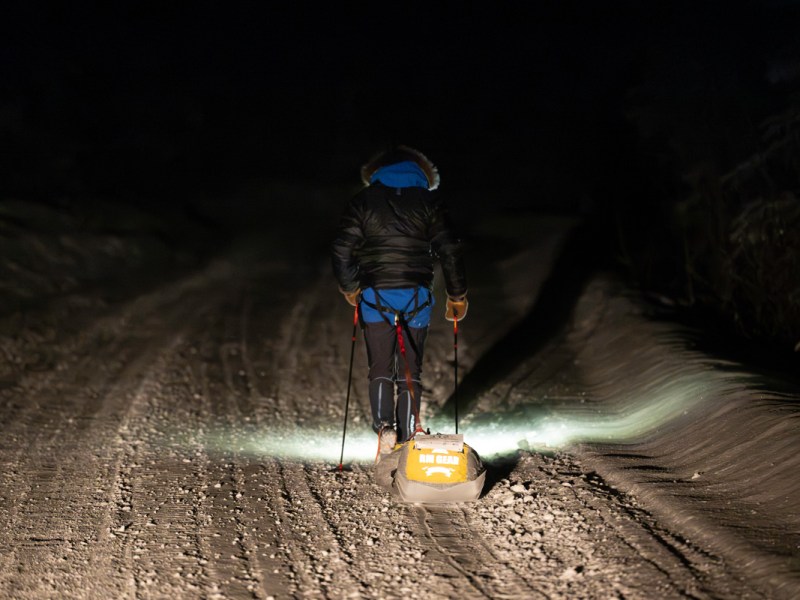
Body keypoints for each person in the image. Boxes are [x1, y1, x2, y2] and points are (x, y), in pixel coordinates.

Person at [331, 145, 468, 458]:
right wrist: (457, 294)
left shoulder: (363, 201)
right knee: (410, 370)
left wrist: (350, 286)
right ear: (422, 172)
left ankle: (384, 428)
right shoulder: (430, 202)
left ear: (377, 172)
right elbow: (450, 250)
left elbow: (341, 248)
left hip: (374, 294)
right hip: (416, 295)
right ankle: (407, 437)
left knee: (380, 366)